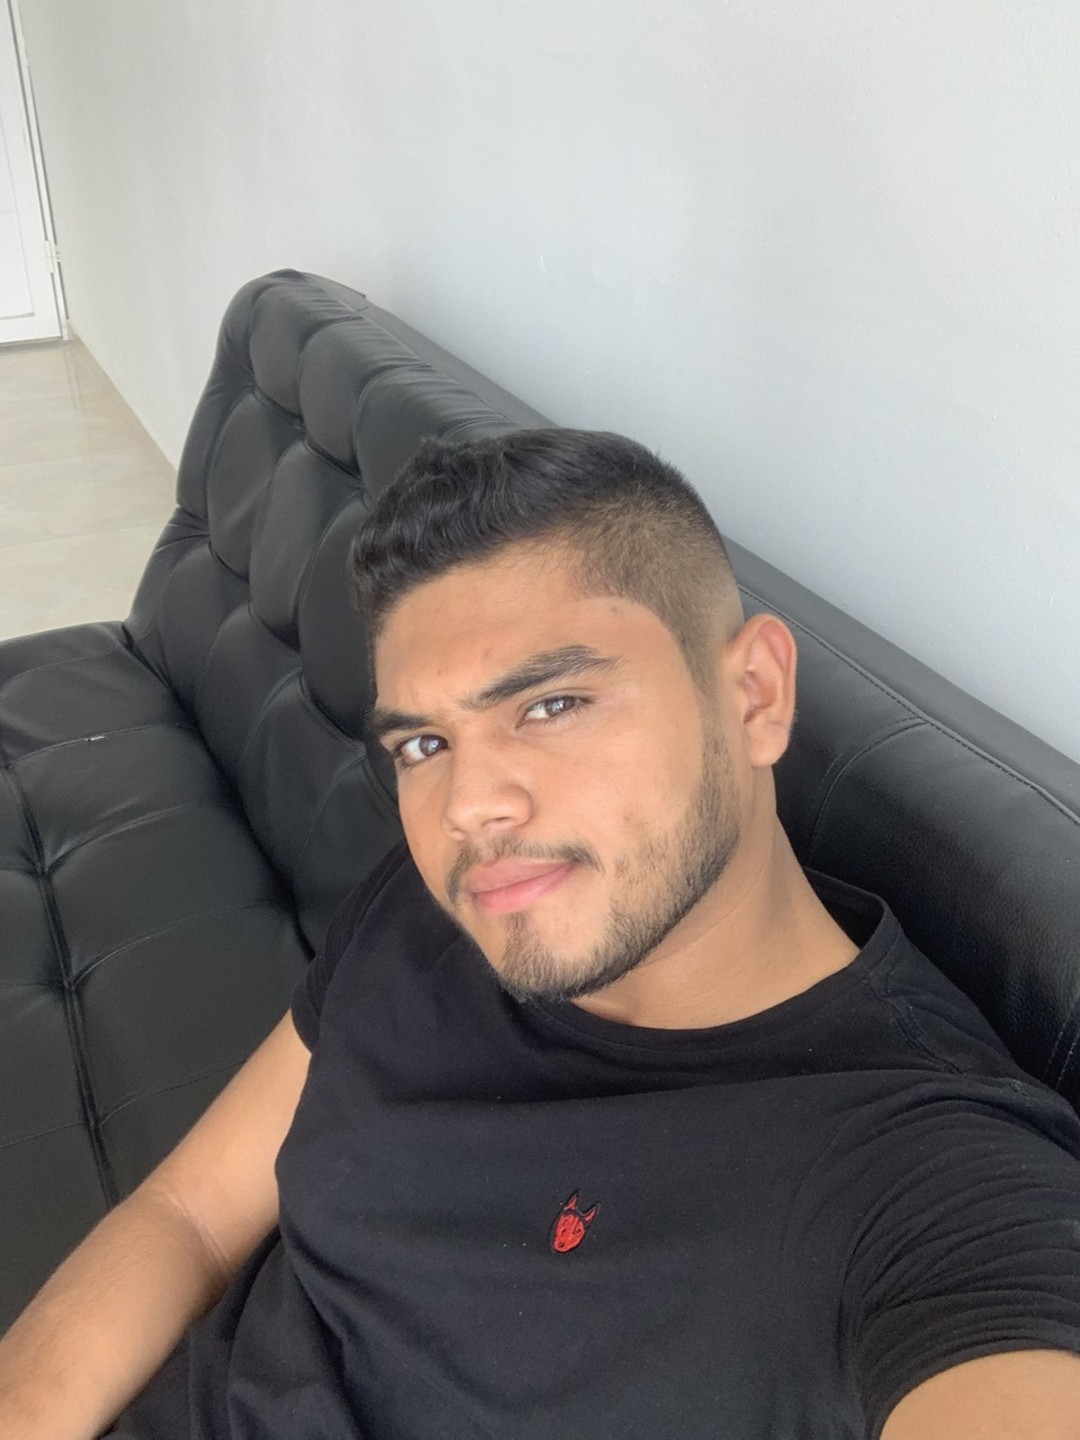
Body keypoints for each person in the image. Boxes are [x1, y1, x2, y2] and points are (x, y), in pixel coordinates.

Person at [2, 428, 1080, 1440]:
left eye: (552, 705)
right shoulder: (442, 901)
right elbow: (189, 1213)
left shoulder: (933, 1185)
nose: (469, 807)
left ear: (755, 694)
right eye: (424, 744)